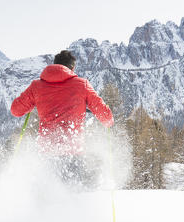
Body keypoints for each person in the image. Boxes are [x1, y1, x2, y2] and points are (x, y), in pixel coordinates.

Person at [10, 50, 114, 185]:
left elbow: (15, 110)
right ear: (72, 68)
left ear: (54, 65)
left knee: (48, 194)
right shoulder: (82, 85)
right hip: (73, 152)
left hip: (47, 151)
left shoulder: (37, 86)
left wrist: (32, 103)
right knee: (73, 195)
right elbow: (107, 118)